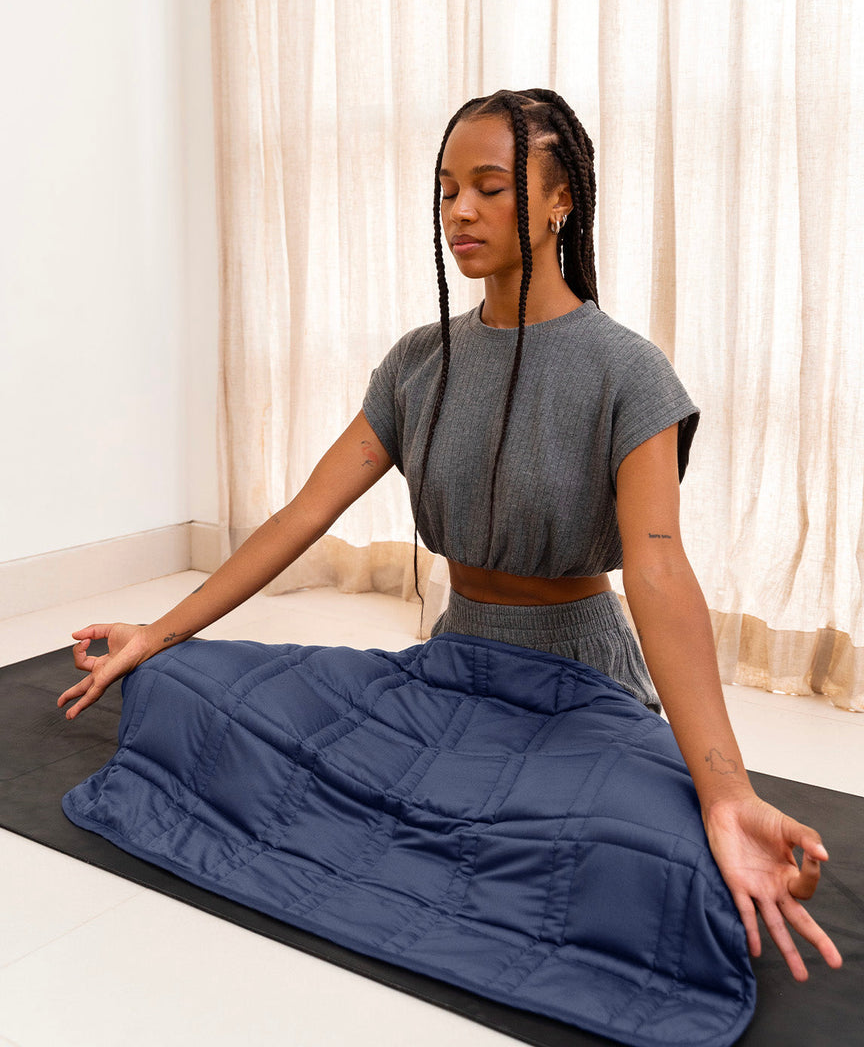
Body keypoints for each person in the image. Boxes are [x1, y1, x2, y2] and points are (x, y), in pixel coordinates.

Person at [58, 88, 841, 986]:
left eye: (491, 187)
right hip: (450, 664)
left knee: (654, 866)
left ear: (560, 200)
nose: (459, 211)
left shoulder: (630, 372)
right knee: (195, 690)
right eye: (446, 190)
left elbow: (660, 571)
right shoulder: (416, 363)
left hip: (579, 683)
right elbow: (302, 515)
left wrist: (728, 789)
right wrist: (159, 634)